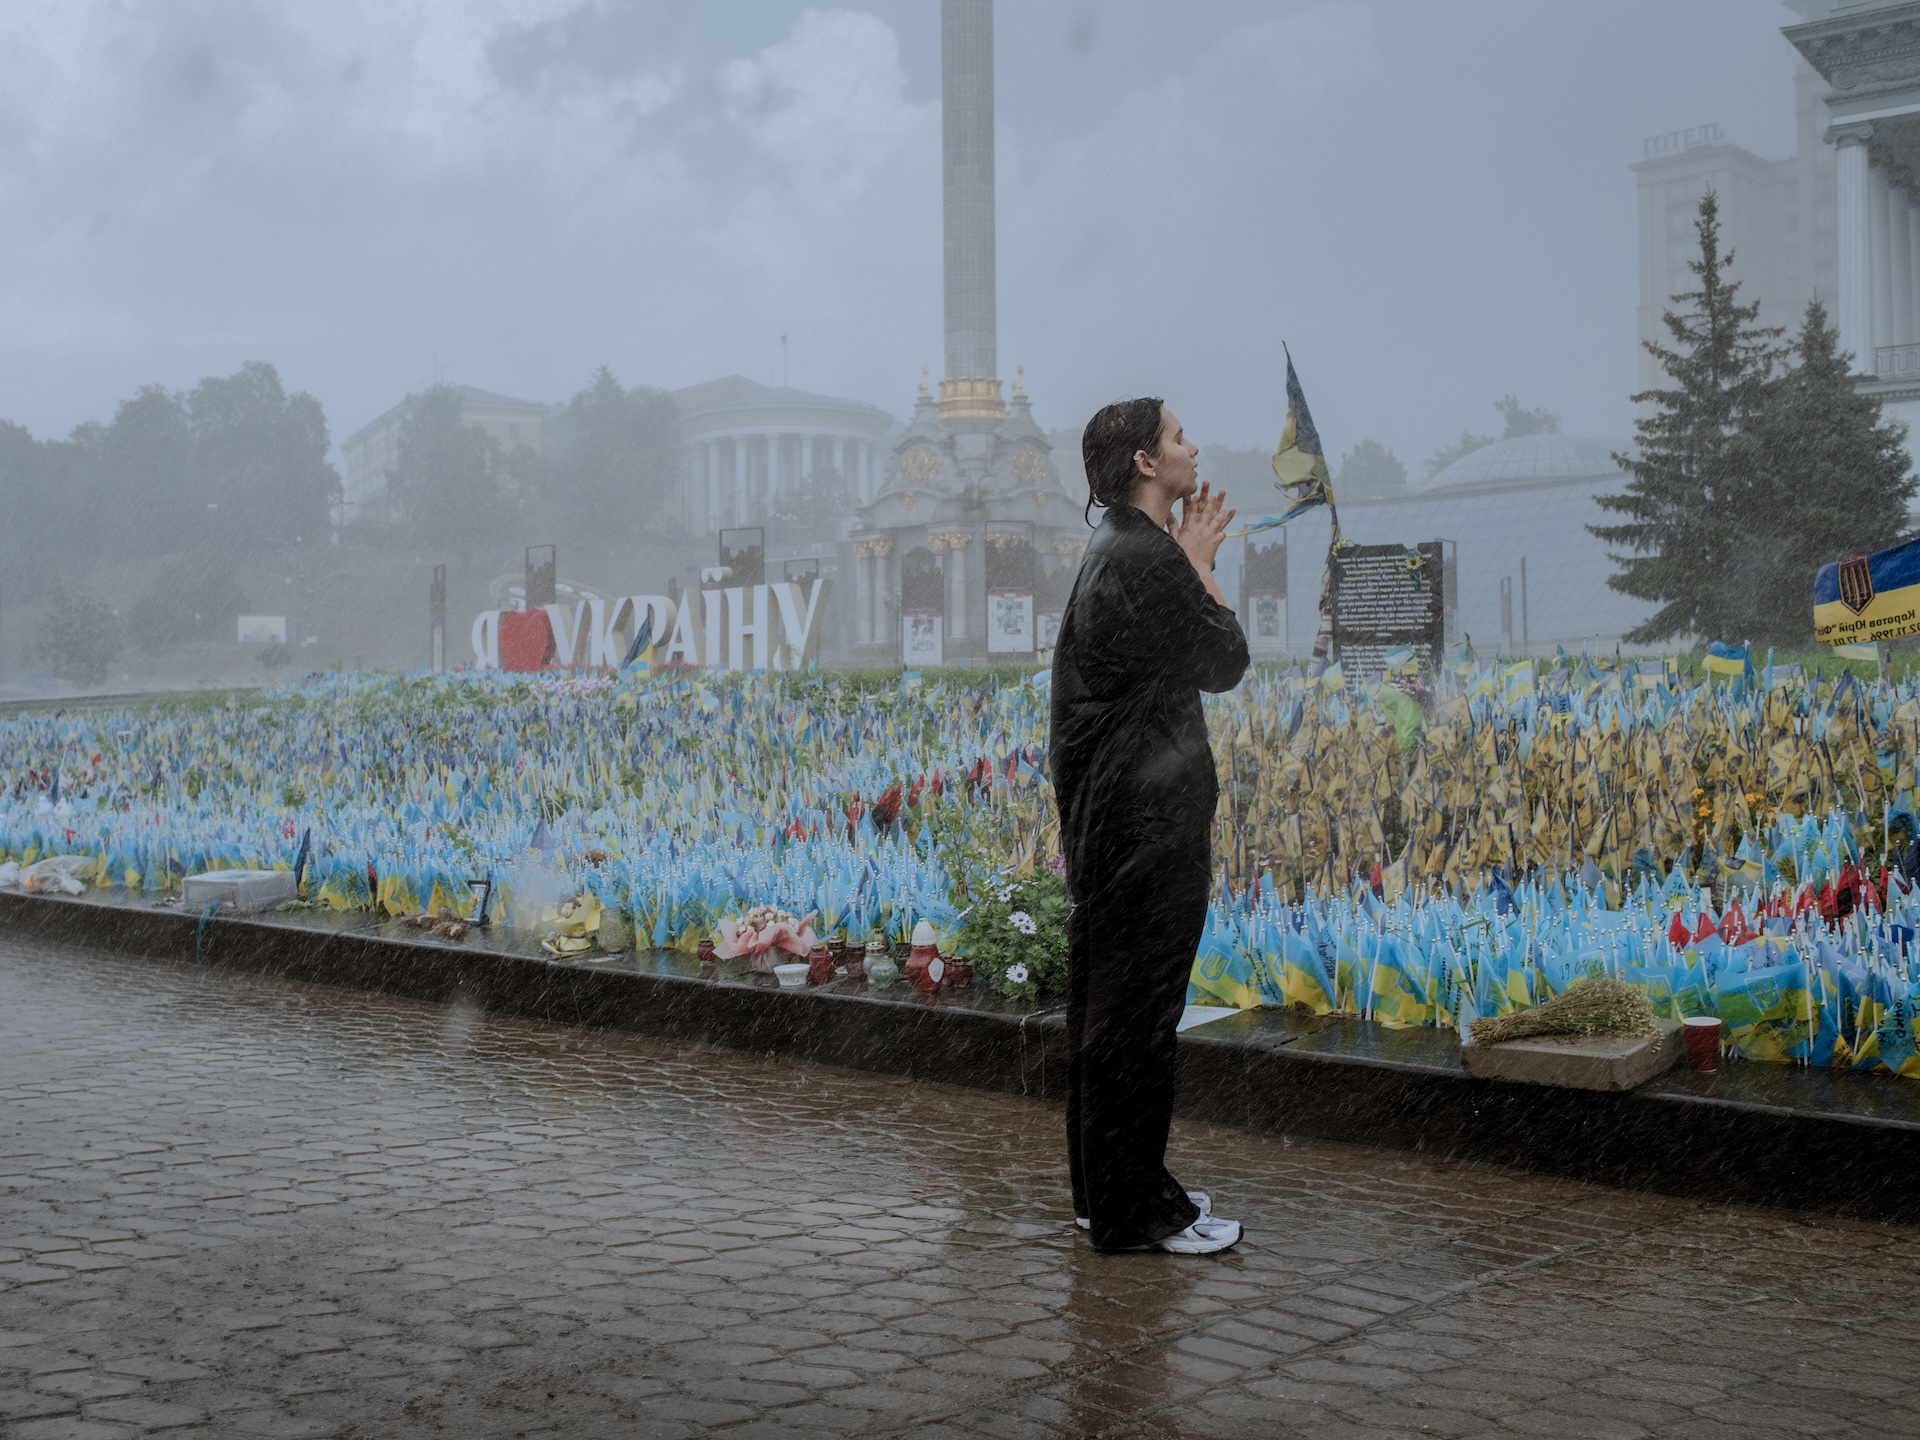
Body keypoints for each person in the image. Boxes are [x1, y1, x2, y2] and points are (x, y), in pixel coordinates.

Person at [1050, 396, 1250, 1255]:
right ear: (1143, 461)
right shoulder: (1145, 555)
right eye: (1176, 436)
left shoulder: (1116, 548)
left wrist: (1183, 557)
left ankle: (1105, 1193)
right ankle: (1137, 1215)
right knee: (1138, 1017)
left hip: (1111, 818)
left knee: (1107, 1011)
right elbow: (1225, 660)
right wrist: (1198, 559)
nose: (1191, 447)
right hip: (1147, 821)